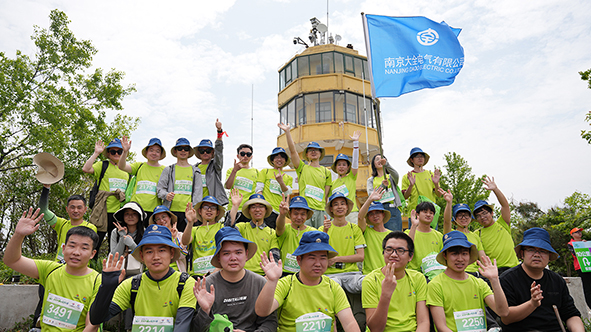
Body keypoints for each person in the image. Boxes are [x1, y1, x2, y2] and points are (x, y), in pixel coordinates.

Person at [4, 208, 102, 331]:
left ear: (92, 254)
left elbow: (92, 325)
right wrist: (18, 235)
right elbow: (12, 261)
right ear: (64, 248)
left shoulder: (98, 281)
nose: (76, 252)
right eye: (72, 246)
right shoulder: (50, 270)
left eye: (84, 248)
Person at [89, 225, 197, 331]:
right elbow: (96, 318)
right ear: (142, 256)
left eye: (162, 250)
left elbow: (182, 326)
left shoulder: (186, 283)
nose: (156, 257)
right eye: (149, 252)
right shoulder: (132, 284)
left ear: (171, 253)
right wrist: (107, 287)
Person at [255, 231, 361, 332]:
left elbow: (349, 323)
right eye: (312, 258)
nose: (318, 263)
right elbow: (262, 311)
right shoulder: (286, 285)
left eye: (323, 258)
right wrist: (272, 281)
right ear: (299, 260)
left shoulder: (333, 287)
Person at [191, 227, 278, 331]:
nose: (233, 258)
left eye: (238, 252)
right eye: (226, 253)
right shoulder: (207, 286)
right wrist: (205, 311)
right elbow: (196, 329)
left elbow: (270, 322)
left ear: (246, 254)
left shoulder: (260, 283)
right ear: (218, 257)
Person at [500, 227, 584, 332]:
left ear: (549, 256)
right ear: (522, 254)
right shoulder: (507, 279)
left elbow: (571, 314)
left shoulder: (557, 280)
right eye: (531, 249)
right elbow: (506, 318)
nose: (537, 255)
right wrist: (532, 304)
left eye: (543, 251)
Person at [427, 231, 509, 332]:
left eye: (464, 253)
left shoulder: (479, 283)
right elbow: (441, 327)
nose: (460, 259)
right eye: (454, 254)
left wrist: (494, 280)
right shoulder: (435, 285)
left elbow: (503, 312)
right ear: (445, 255)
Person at [361, 231, 429, 332]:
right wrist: (386, 294)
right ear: (383, 253)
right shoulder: (371, 280)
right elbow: (375, 328)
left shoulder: (418, 278)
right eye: (389, 250)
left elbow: (423, 322)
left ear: (410, 256)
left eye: (400, 250)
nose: (393, 255)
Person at [278, 122, 332, 229]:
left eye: (316, 150)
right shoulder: (302, 168)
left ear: (320, 153)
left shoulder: (327, 172)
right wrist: (287, 132)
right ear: (306, 155)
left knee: (321, 239)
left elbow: (326, 196)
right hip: (305, 210)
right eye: (310, 150)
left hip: (321, 211)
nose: (313, 152)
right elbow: (293, 151)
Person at [82, 138, 129, 250]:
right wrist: (96, 153)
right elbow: (86, 168)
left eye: (120, 151)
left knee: (116, 246)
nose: (116, 154)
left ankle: (113, 267)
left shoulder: (127, 169)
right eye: (113, 151)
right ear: (108, 153)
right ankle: (91, 265)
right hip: (102, 211)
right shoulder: (103, 165)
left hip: (119, 213)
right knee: (94, 243)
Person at [109, 201, 146, 330]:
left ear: (139, 216)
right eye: (127, 214)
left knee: (133, 301)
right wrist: (122, 237)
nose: (130, 216)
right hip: (119, 272)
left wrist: (131, 243)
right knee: (118, 298)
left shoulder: (145, 232)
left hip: (137, 273)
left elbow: (144, 256)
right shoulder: (115, 232)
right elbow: (115, 255)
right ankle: (114, 327)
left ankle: (129, 328)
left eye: (134, 214)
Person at [320, 192, 366, 294]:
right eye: (336, 204)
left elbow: (360, 256)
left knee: (369, 283)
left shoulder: (354, 228)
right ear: (331, 209)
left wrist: (336, 259)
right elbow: (319, 254)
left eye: (342, 203)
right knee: (333, 286)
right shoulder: (322, 229)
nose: (339, 207)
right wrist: (325, 232)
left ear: (346, 207)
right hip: (330, 274)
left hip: (353, 274)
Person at [473, 176, 519, 275]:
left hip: (514, 268)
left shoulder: (503, 223)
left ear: (492, 213)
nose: (482, 217)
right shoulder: (477, 234)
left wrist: (495, 189)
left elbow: (505, 205)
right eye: (478, 216)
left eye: (485, 213)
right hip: (494, 272)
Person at [157, 137, 203, 232]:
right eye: (180, 148)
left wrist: (195, 214)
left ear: (189, 152)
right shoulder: (168, 169)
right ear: (175, 151)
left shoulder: (196, 171)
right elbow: (160, 189)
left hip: (188, 214)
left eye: (186, 149)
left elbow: (198, 194)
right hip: (170, 213)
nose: (183, 151)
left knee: (186, 243)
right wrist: (166, 195)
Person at [229, 190, 280, 275]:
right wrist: (235, 206)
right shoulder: (242, 227)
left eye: (261, 206)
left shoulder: (272, 232)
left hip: (263, 275)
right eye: (253, 207)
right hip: (242, 273)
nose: (257, 210)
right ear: (249, 210)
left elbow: (275, 257)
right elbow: (228, 229)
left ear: (265, 210)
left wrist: (268, 276)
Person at [118, 136, 166, 226]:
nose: (154, 153)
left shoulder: (165, 170)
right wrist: (125, 152)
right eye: (151, 150)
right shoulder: (139, 166)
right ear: (147, 152)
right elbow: (121, 166)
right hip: (136, 210)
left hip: (154, 211)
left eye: (157, 151)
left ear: (160, 154)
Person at [442, 189, 485, 276]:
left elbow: (482, 257)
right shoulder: (451, 234)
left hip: (476, 274)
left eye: (466, 215)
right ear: (454, 219)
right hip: (458, 272)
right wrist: (449, 202)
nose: (463, 218)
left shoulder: (475, 236)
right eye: (460, 215)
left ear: (470, 217)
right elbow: (446, 221)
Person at [181, 196, 226, 277]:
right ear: (200, 211)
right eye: (205, 207)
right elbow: (185, 242)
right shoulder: (195, 229)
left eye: (213, 207)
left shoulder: (222, 227)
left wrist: (215, 272)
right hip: (196, 274)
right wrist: (190, 222)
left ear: (217, 212)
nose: (209, 210)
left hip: (216, 273)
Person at [275, 195, 317, 275]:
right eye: (295, 214)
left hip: (305, 273)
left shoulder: (312, 232)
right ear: (290, 214)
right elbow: (279, 227)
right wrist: (282, 214)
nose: (299, 217)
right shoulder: (285, 228)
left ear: (307, 215)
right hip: (284, 272)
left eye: (303, 214)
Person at [401, 147, 441, 228]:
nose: (420, 158)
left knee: (432, 238)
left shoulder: (431, 174)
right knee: (415, 239)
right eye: (417, 156)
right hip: (415, 213)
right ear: (412, 160)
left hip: (430, 213)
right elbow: (405, 196)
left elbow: (439, 194)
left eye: (422, 156)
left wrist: (436, 184)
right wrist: (411, 185)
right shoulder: (407, 176)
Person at [405, 202, 444, 281]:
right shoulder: (409, 232)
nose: (428, 215)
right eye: (425, 212)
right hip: (414, 274)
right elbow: (407, 248)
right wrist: (414, 225)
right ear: (417, 214)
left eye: (431, 213)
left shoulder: (439, 235)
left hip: (435, 276)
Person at [357, 186, 392, 275]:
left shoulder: (392, 235)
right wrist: (369, 200)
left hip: (388, 274)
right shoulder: (366, 231)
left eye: (377, 212)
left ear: (383, 215)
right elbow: (360, 217)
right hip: (369, 275)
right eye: (371, 214)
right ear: (368, 217)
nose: (375, 216)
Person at [256, 147, 293, 228]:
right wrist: (262, 207)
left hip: (280, 211)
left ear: (285, 160)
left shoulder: (288, 177)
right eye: (276, 157)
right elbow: (259, 190)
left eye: (282, 157)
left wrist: (281, 182)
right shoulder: (265, 171)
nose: (279, 159)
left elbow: (287, 193)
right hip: (267, 211)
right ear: (272, 160)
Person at [194, 119, 228, 208]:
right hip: (197, 204)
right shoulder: (193, 168)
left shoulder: (216, 166)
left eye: (208, 150)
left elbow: (219, 151)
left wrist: (219, 132)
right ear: (198, 153)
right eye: (202, 151)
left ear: (212, 153)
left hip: (212, 203)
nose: (205, 153)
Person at [330, 131, 361, 225]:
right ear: (335, 167)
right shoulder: (332, 183)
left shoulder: (351, 177)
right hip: (337, 215)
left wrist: (356, 143)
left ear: (348, 167)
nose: (341, 167)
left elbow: (355, 162)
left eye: (344, 164)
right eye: (339, 164)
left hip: (352, 213)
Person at [367, 154, 404, 231]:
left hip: (392, 209)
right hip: (377, 210)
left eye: (382, 159)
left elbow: (396, 176)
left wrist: (387, 164)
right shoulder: (371, 180)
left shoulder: (390, 176)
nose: (380, 160)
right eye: (377, 159)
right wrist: (382, 186)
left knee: (395, 237)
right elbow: (371, 195)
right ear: (373, 164)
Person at [148, 205, 189, 272]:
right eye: (157, 219)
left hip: (177, 273)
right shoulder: (153, 239)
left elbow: (182, 255)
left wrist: (174, 238)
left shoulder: (180, 235)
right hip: (158, 273)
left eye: (164, 217)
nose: (161, 220)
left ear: (170, 218)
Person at [225, 144, 259, 224]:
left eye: (248, 154)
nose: (245, 156)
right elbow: (228, 186)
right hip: (233, 209)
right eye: (242, 154)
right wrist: (235, 170)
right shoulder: (231, 170)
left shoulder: (256, 172)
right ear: (238, 156)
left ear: (251, 156)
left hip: (249, 211)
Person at [568, 227, 591, 309]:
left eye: (580, 231)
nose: (579, 233)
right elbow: (575, 254)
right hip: (581, 267)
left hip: (589, 265)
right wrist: (582, 245)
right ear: (572, 235)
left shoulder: (585, 242)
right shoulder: (571, 244)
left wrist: (585, 244)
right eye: (577, 232)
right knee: (587, 287)